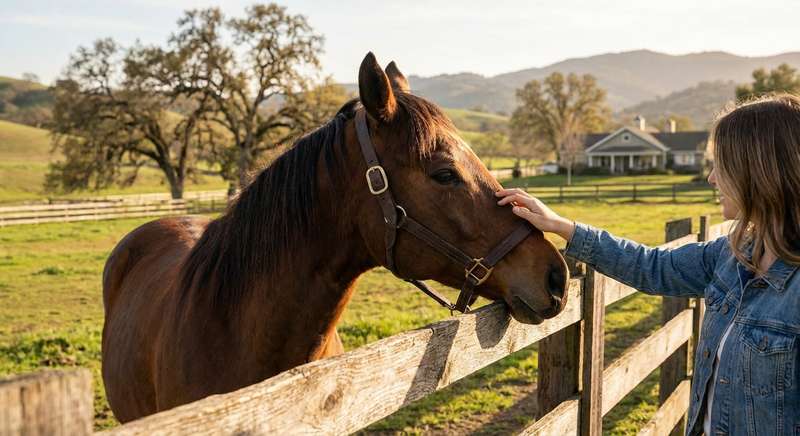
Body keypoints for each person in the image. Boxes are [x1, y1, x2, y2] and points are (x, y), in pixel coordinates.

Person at [496, 94, 800, 435]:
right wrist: (563, 226)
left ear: (760, 171)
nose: (712, 178)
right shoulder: (731, 256)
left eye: (722, 165)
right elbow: (651, 267)